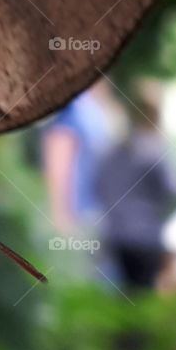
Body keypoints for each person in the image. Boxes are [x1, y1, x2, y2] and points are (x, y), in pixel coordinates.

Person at [94, 79, 176, 289]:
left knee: (116, 299)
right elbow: (171, 190)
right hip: (146, 238)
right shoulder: (154, 150)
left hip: (115, 235)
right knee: (142, 299)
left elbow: (99, 186)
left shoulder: (113, 150)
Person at [42, 78, 118, 234]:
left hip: (95, 215)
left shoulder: (97, 113)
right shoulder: (73, 112)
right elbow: (58, 162)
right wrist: (60, 216)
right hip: (77, 216)